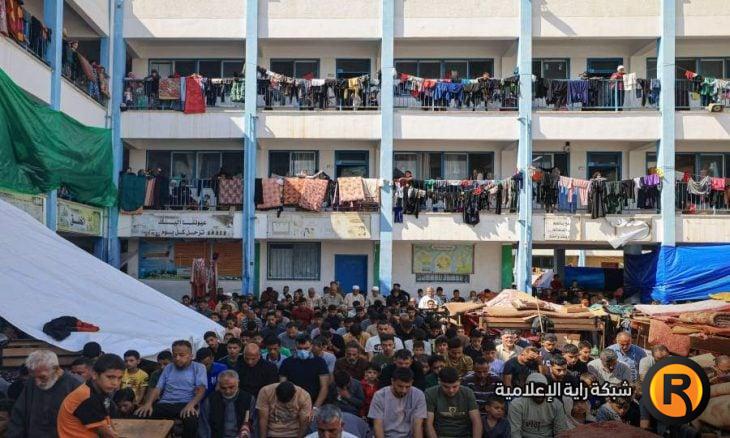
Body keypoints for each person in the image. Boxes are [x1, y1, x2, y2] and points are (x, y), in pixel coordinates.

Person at [135, 340, 207, 438]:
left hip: (185, 403)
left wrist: (191, 405)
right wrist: (148, 403)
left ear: (191, 355)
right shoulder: (168, 367)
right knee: (140, 415)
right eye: (175, 355)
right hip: (165, 403)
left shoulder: (199, 367)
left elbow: (201, 390)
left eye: (181, 355)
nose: (177, 358)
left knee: (191, 420)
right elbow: (158, 389)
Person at [7, 350, 82, 438]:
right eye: (34, 377)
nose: (37, 382)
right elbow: (18, 416)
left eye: (42, 377)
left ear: (56, 370)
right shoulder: (31, 383)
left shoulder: (75, 387)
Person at [57, 353, 125, 438]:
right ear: (94, 374)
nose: (115, 383)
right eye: (110, 377)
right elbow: (107, 434)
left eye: (119, 378)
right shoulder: (87, 397)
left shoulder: (98, 389)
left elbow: (107, 420)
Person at [369, 367, 427, 438]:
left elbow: (417, 425)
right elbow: (378, 426)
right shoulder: (380, 396)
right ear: (392, 381)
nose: (404, 390)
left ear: (412, 382)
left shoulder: (419, 395)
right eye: (400, 386)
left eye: (407, 387)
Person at [424, 367, 482, 438]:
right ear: (439, 381)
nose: (451, 390)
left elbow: (476, 421)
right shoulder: (430, 393)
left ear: (459, 381)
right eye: (446, 387)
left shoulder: (468, 393)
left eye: (455, 386)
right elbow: (428, 424)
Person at [508, 373, 569, 437]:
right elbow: (515, 433)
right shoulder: (517, 404)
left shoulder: (556, 404)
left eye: (542, 388)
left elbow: (560, 432)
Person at [280, 334, 330, 408]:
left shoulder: (320, 362)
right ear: (295, 347)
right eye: (299, 348)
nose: (303, 351)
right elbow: (282, 385)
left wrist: (315, 408)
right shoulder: (287, 362)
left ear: (311, 346)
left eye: (306, 348)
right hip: (292, 404)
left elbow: (324, 387)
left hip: (314, 402)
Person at [207, 370, 254, 438]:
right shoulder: (211, 400)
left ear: (238, 383)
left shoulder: (248, 399)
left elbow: (254, 424)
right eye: (223, 388)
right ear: (219, 385)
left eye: (231, 387)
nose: (227, 391)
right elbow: (204, 427)